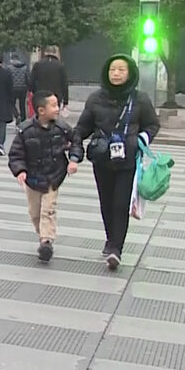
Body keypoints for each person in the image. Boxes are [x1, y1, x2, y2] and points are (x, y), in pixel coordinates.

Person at [72, 54, 160, 270]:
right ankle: (111, 238)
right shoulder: (95, 99)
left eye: (121, 70)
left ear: (130, 73)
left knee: (121, 204)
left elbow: (152, 125)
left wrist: (141, 139)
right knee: (106, 203)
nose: (117, 74)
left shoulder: (140, 99)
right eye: (113, 70)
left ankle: (115, 248)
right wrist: (74, 143)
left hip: (127, 161)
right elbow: (83, 127)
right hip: (102, 159)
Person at [7, 91, 84, 262]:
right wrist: (20, 170)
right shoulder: (25, 130)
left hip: (53, 176)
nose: (57, 109)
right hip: (32, 178)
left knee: (48, 210)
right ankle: (43, 235)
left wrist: (73, 160)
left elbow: (76, 142)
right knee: (35, 213)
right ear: (41, 110)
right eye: (54, 105)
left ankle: (46, 241)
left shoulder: (62, 128)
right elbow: (16, 154)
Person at [30, 51, 70, 116]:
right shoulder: (60, 66)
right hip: (55, 96)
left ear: (45, 53)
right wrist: (65, 101)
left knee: (41, 115)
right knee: (54, 115)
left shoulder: (37, 64)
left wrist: (34, 92)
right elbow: (64, 84)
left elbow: (32, 81)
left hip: (41, 96)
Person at [9, 55, 31, 123]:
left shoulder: (9, 68)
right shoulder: (25, 67)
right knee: (22, 105)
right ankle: (23, 119)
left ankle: (17, 115)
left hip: (13, 88)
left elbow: (8, 79)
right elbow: (28, 78)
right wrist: (29, 88)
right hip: (23, 88)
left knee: (11, 103)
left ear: (12, 60)